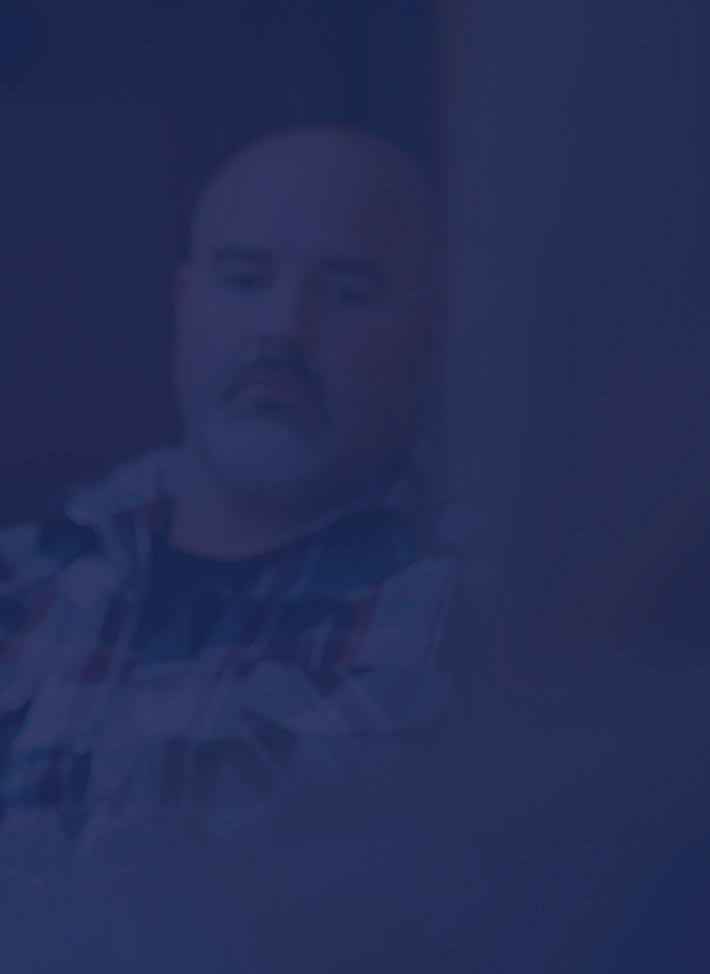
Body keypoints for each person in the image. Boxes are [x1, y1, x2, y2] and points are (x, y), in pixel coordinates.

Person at [0, 124, 463, 849]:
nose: (282, 329)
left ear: (430, 338)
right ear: (183, 301)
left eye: (346, 292)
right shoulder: (25, 578)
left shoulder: (482, 619)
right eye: (245, 280)